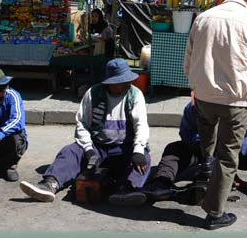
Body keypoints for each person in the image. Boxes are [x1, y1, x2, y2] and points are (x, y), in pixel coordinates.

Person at [184, 0, 247, 230]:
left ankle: (205, 176)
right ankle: (214, 212)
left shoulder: (203, 18)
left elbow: (188, 59)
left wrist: (196, 86)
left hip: (204, 97)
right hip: (235, 100)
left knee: (208, 146)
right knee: (228, 156)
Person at [19, 59, 151, 205]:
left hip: (123, 149)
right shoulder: (93, 94)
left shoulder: (135, 95)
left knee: (144, 158)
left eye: (127, 80)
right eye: (122, 81)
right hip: (98, 147)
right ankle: (50, 184)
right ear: (110, 83)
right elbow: (82, 124)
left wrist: (138, 150)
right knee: (70, 151)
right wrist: (88, 150)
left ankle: (127, 190)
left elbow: (141, 126)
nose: (127, 84)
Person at [144, 99, 247, 212]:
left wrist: (230, 149)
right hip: (202, 150)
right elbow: (186, 133)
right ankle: (160, 185)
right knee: (174, 149)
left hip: (233, 151)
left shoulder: (243, 109)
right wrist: (210, 147)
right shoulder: (193, 108)